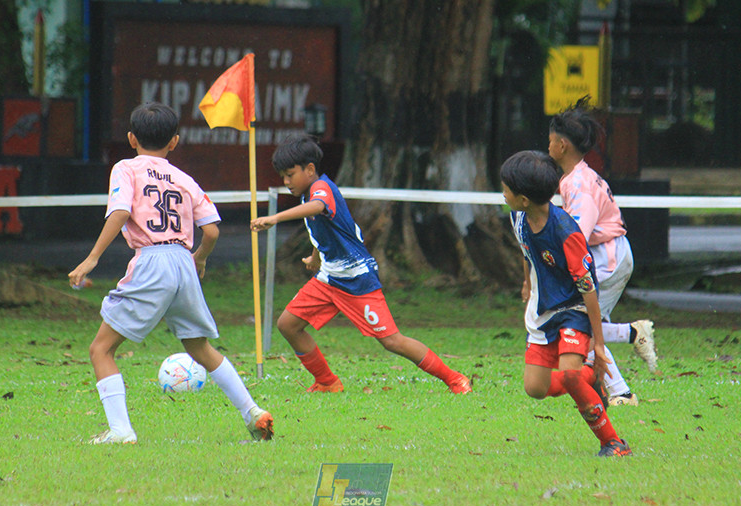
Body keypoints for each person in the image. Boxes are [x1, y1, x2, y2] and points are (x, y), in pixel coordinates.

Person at [68, 102, 273, 444]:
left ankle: (121, 431)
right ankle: (252, 411)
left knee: (101, 350)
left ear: (132, 138)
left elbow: (119, 213)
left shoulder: (125, 168)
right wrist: (201, 260)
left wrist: (92, 258)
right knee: (200, 347)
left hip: (152, 260)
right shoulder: (185, 179)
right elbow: (211, 231)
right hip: (183, 262)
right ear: (174, 142)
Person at [250, 134, 472, 395]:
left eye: (290, 175)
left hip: (357, 279)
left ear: (310, 170)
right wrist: (317, 256)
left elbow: (318, 207)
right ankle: (327, 382)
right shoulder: (307, 194)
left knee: (392, 341)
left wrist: (275, 217)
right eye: (283, 177)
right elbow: (323, 226)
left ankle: (455, 379)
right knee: (288, 324)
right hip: (329, 278)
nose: (286, 182)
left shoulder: (321, 188)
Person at [500, 150, 631, 457]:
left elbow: (588, 291)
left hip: (575, 308)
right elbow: (526, 252)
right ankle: (588, 379)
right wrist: (527, 282)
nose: (501, 193)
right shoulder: (518, 218)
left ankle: (613, 442)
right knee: (535, 388)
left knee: (570, 374)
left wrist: (598, 345)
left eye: (505, 188)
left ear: (523, 198)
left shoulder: (566, 233)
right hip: (544, 310)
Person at [548, 104, 659, 407]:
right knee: (584, 324)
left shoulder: (580, 184)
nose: (548, 148)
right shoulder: (577, 177)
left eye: (550, 142)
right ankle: (622, 365)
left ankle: (621, 387)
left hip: (605, 259)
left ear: (561, 145)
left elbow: (576, 236)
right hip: (609, 255)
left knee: (578, 324)